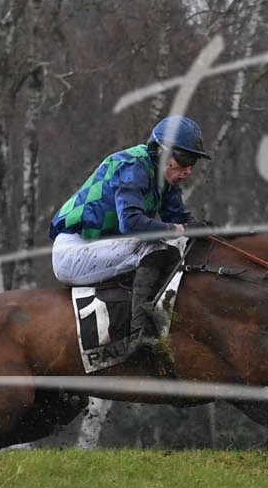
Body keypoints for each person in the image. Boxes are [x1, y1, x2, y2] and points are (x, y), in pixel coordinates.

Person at [49, 115, 210, 350]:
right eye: (184, 160)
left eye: (193, 162)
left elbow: (180, 219)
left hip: (103, 249)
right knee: (155, 247)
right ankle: (140, 336)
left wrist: (207, 231)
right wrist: (181, 229)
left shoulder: (164, 179)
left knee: (176, 247)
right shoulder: (133, 166)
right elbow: (132, 223)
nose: (188, 170)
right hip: (74, 251)